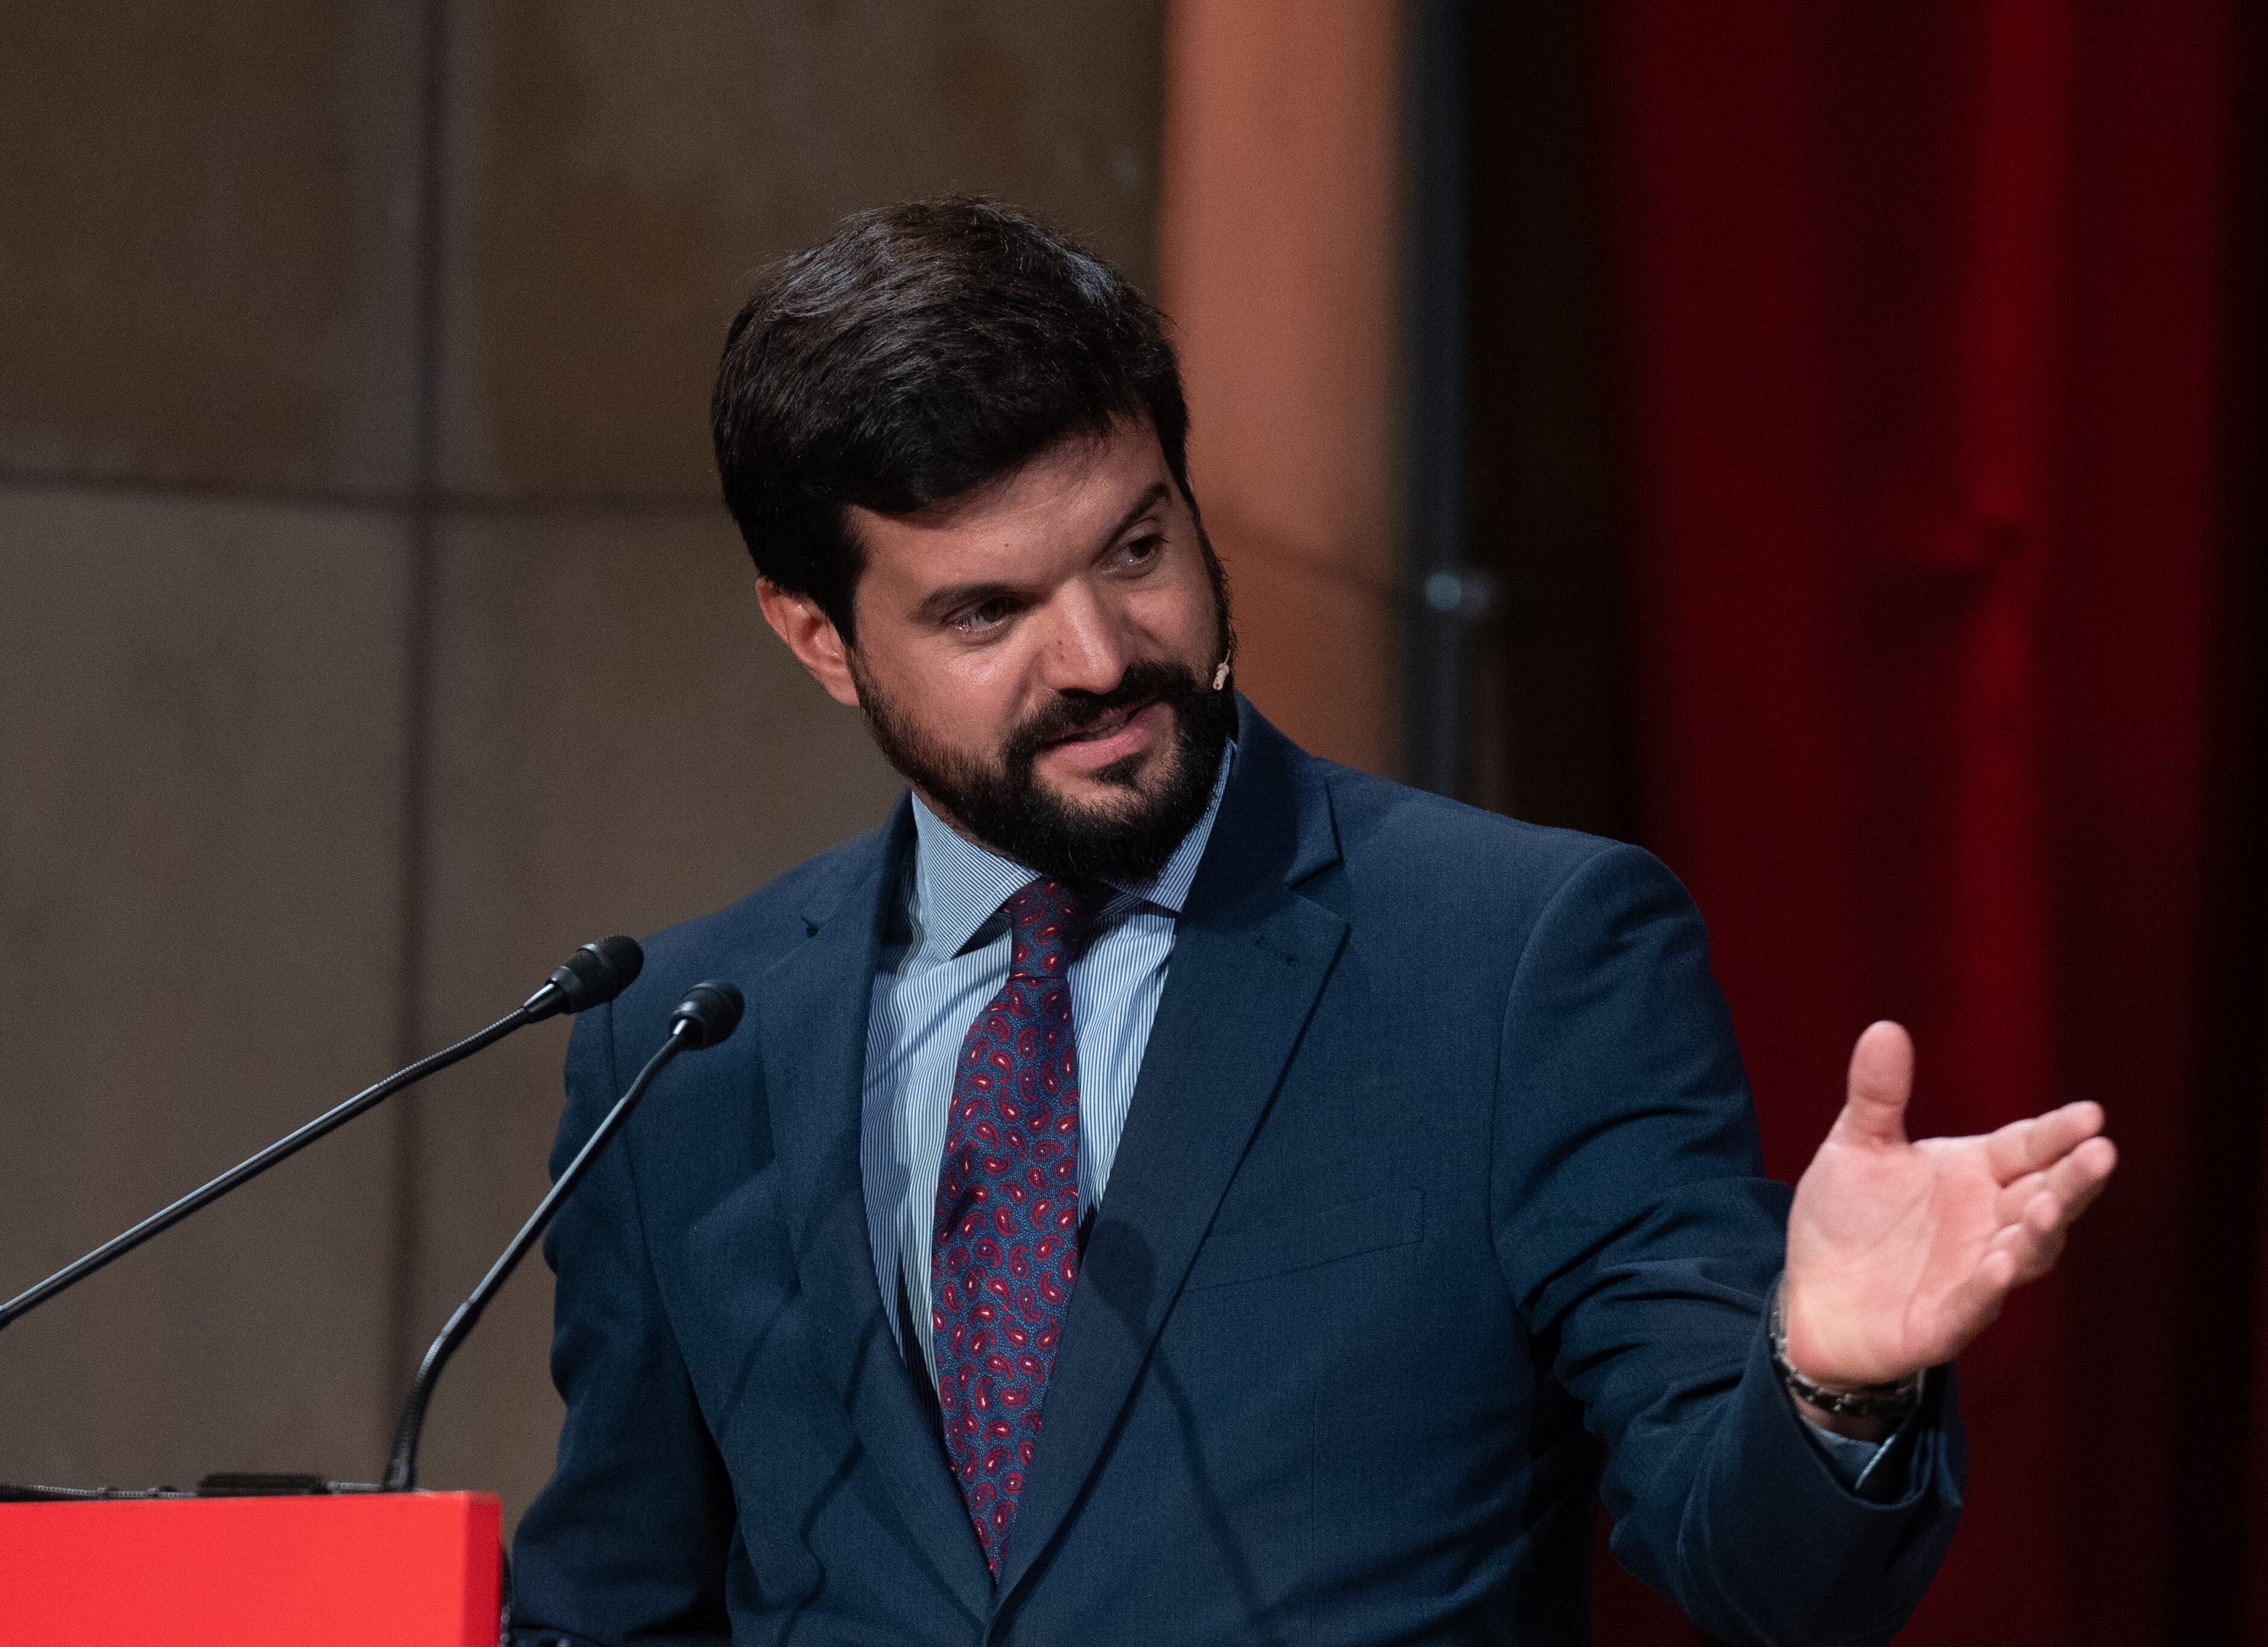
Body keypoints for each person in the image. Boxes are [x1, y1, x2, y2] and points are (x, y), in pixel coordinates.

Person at [506, 197, 2116, 1647]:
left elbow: (1769, 1574)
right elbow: (616, 1604)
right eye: (985, 610)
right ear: (818, 637)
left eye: (1136, 549)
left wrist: (1831, 1376)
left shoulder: (1517, 956)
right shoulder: (687, 1047)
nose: (1095, 653)